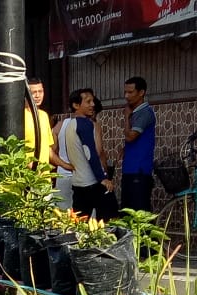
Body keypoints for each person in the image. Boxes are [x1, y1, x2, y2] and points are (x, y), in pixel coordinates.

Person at [63, 88, 115, 219]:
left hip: (78, 183)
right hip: (91, 183)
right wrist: (102, 178)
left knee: (79, 226)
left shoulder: (70, 125)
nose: (93, 104)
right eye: (88, 101)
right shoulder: (85, 124)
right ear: (76, 105)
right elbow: (90, 152)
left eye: (93, 101)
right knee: (109, 222)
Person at [121, 76, 156, 213]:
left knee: (138, 213)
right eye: (125, 92)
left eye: (130, 92)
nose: (126, 96)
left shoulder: (144, 113)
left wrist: (126, 116)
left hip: (139, 170)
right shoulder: (136, 112)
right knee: (127, 211)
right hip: (130, 169)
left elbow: (130, 137)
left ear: (141, 92)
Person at [22, 77, 64, 170]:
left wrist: (65, 165)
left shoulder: (44, 115)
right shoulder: (21, 116)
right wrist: (32, 168)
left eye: (40, 92)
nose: (37, 96)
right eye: (33, 92)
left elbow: (48, 149)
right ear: (26, 95)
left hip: (44, 177)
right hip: (28, 177)